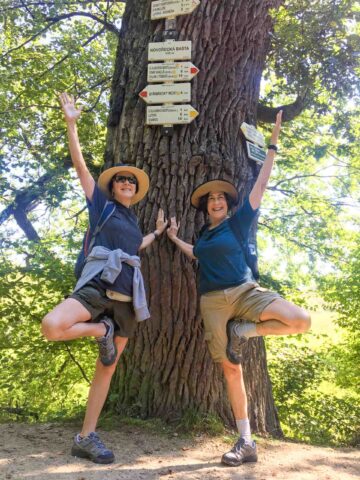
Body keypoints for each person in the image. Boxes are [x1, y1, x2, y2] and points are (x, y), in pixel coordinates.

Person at [167, 111, 311, 467]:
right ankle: (246, 441)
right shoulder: (203, 235)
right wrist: (173, 238)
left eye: (221, 198)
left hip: (246, 292)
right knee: (232, 369)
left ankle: (243, 331)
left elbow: (260, 185)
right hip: (213, 303)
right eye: (210, 199)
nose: (216, 201)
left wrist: (273, 146)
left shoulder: (240, 221)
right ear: (204, 207)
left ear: (228, 204)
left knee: (300, 320)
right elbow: (197, 255)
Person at [41, 93, 167, 464]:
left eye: (132, 180)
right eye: (121, 179)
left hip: (128, 299)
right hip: (97, 288)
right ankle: (102, 333)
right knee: (52, 326)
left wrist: (157, 235)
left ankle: (86, 436)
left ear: (135, 190)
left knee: (106, 371)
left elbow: (134, 250)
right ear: (113, 187)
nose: (127, 182)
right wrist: (71, 124)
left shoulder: (133, 221)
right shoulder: (103, 206)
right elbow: (81, 168)